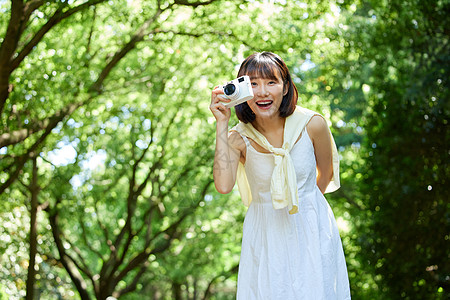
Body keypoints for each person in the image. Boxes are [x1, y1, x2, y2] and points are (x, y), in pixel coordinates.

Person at [209, 52, 351, 299]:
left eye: (270, 82)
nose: (262, 91)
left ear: (285, 88)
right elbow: (223, 185)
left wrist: (306, 209)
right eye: (252, 83)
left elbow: (325, 174)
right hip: (265, 234)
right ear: (242, 91)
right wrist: (222, 123)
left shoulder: (313, 124)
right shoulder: (237, 137)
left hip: (311, 228)